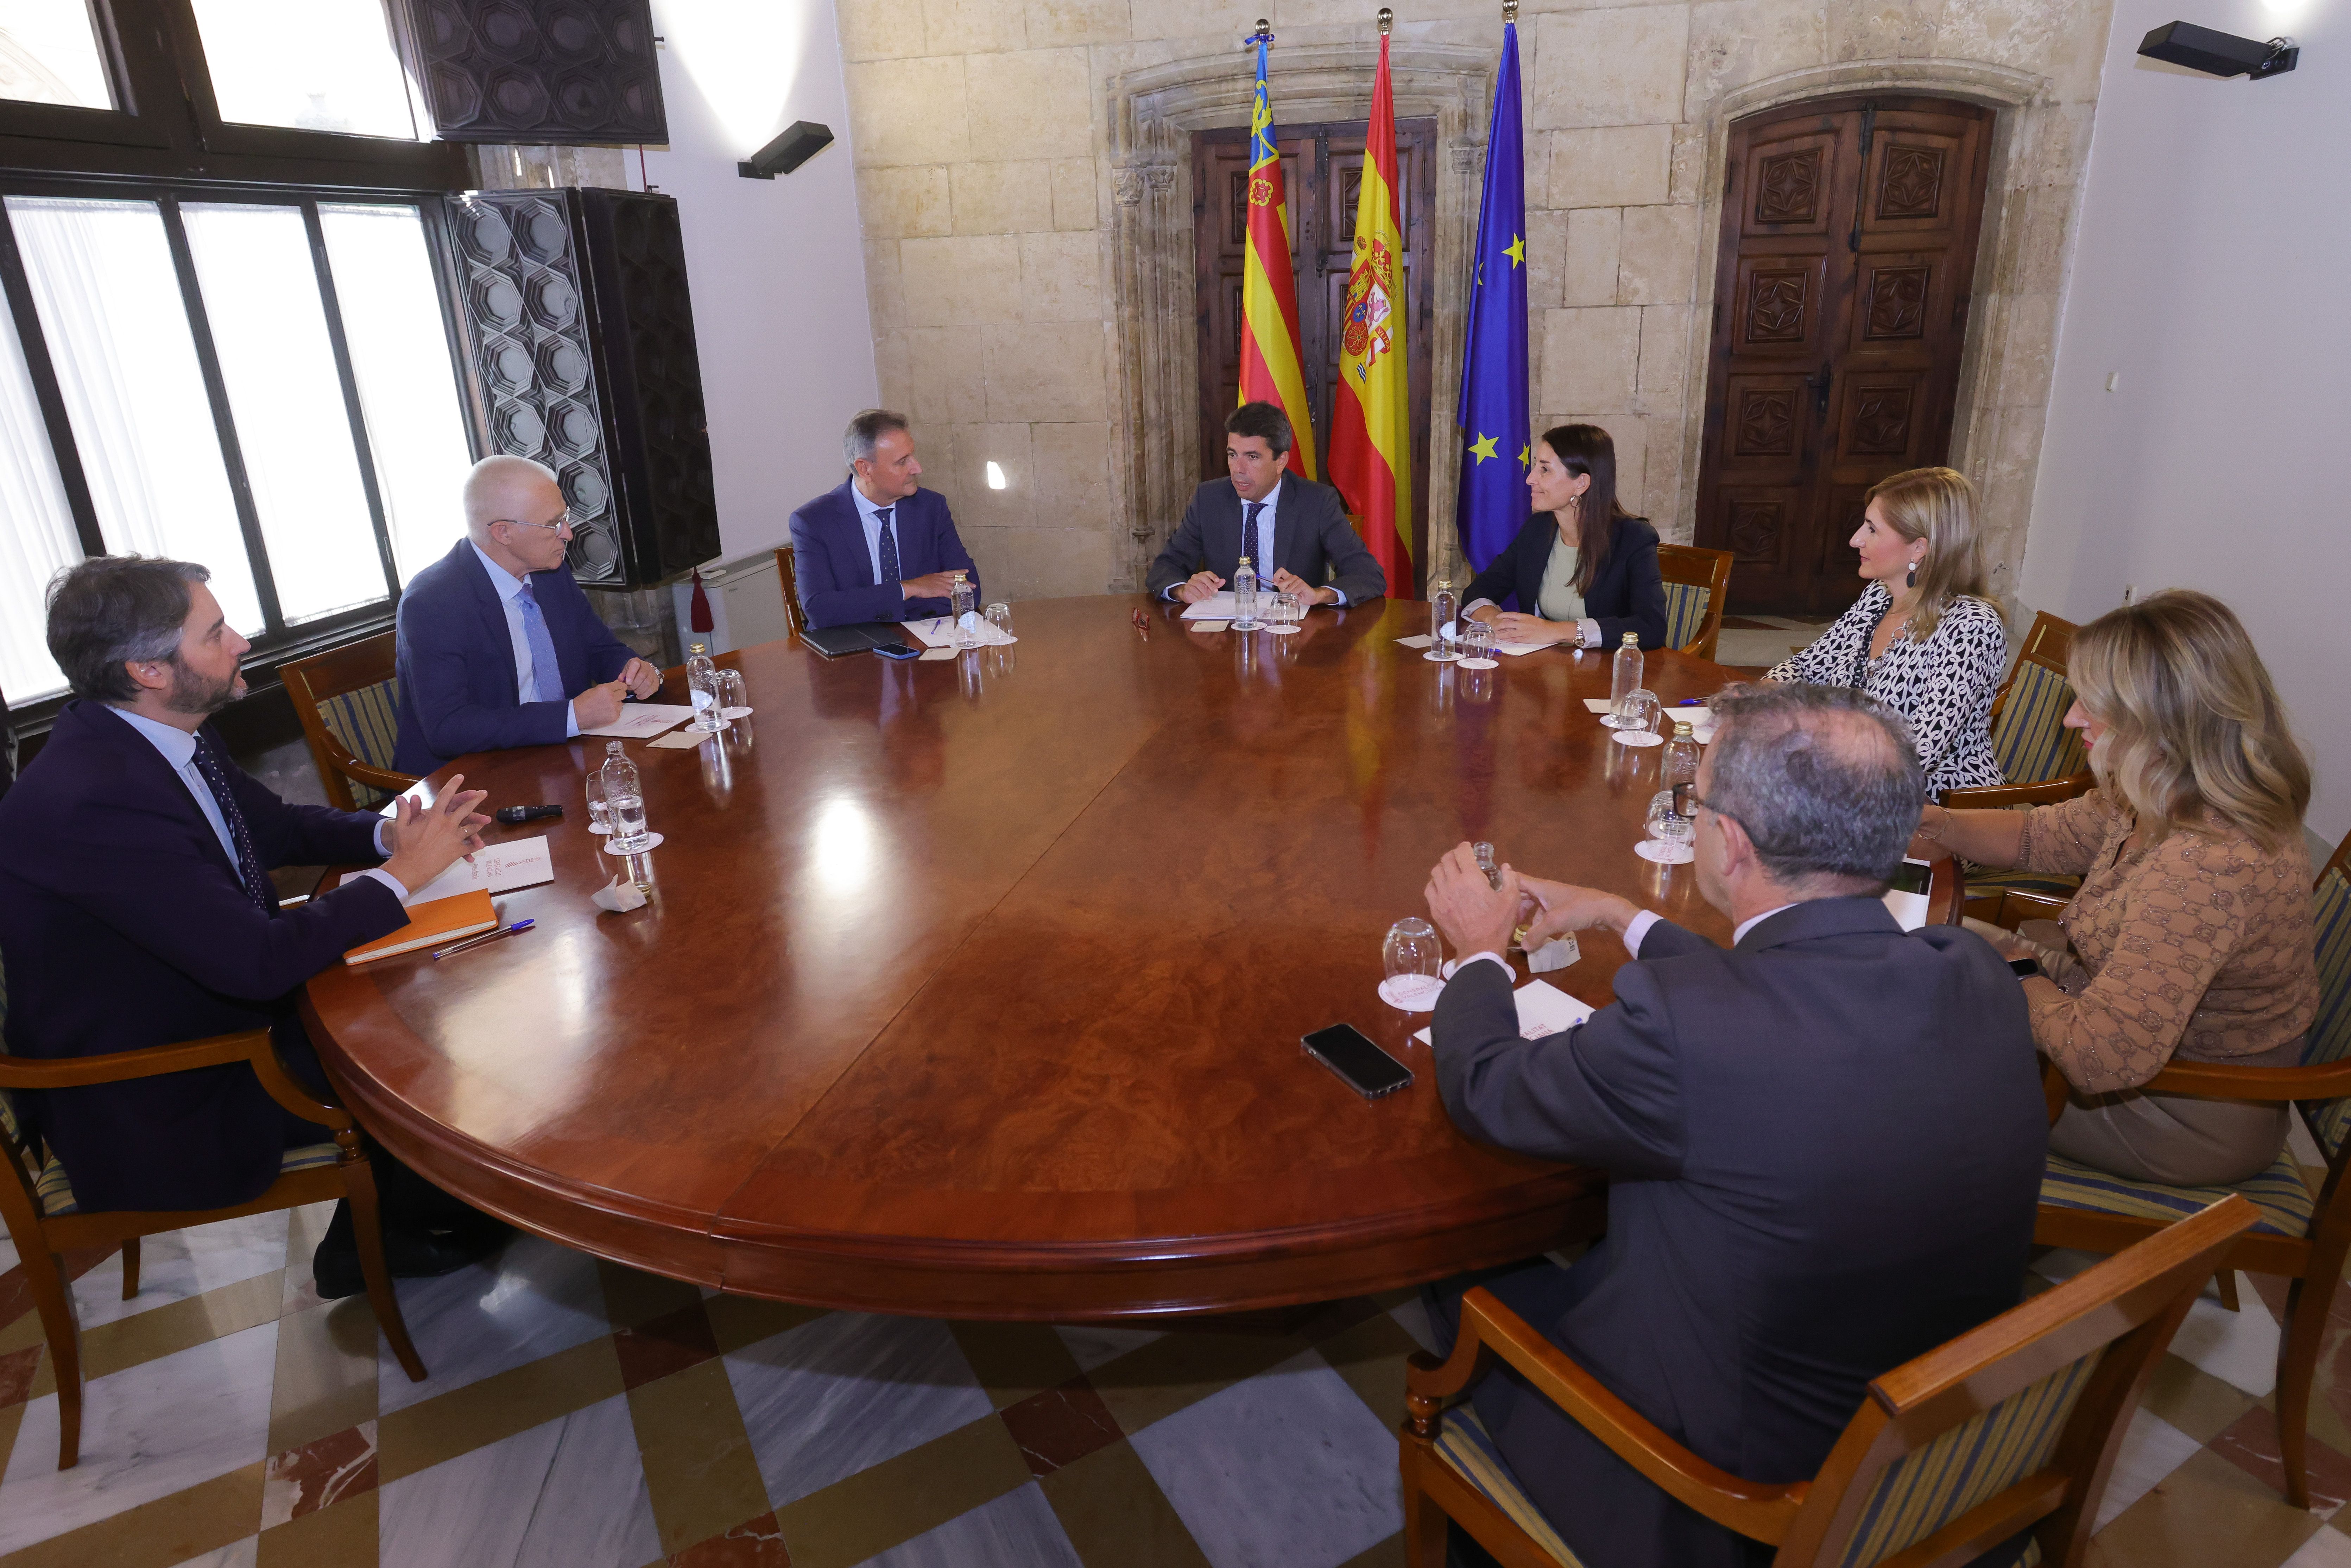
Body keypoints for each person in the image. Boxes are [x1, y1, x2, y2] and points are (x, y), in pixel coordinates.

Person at [1418, 682, 2044, 1568]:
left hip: (1730, 1499)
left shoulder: (1689, 1030)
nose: (1698, 817)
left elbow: (1485, 1087)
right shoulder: (1971, 970)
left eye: (1699, 802)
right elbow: (1794, 988)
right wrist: (1616, 913)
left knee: (1460, 1271)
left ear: (1733, 844)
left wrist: (1478, 952)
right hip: (1924, 1449)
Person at [0, 556, 506, 1297]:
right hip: (166, 1084)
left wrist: (388, 838)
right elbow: (258, 963)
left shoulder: (157, 730)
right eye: (214, 633)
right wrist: (404, 880)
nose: (241, 641)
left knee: (432, 994)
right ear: (149, 668)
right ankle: (382, 1239)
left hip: (203, 1007)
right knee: (415, 1054)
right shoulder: (92, 801)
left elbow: (274, 828)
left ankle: (406, 1214)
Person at [1918, 590, 2317, 1187]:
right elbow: (2037, 835)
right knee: (1912, 941)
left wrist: (2020, 970)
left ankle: (1932, 1239)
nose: (2071, 717)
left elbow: (2098, 1057)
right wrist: (1930, 824)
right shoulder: (2159, 786)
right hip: (2105, 1013)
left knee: (1903, 1055)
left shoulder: (2207, 864)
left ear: (2166, 721)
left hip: (2177, 1112)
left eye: (2095, 705)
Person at [393, 455, 662, 775]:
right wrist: (571, 716)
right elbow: (448, 729)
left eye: (565, 517)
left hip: (563, 755)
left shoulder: (550, 572)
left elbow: (600, 649)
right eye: (553, 524)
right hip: (471, 777)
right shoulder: (432, 603)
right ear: (503, 533)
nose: (568, 533)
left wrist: (633, 670)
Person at [1765, 466, 2008, 798]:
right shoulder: (1878, 596)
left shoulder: (1971, 627)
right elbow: (1807, 666)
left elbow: (1917, 754)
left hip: (1936, 808)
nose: (1855, 540)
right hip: (1845, 786)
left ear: (1919, 548)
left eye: (1872, 530)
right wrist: (1764, 694)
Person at [1146, 401, 1387, 608]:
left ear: (1280, 461)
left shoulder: (1316, 502)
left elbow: (1368, 574)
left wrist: (1320, 595)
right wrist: (1182, 589)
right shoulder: (1210, 498)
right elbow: (1166, 565)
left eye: (1252, 457)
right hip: (1225, 635)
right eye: (1232, 455)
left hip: (1294, 634)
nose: (1238, 469)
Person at [1462, 423, 1665, 651]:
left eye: (1545, 470)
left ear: (1581, 484)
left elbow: (1651, 627)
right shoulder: (1536, 530)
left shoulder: (1633, 539)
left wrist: (1555, 630)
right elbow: (1477, 591)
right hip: (1543, 665)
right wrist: (1494, 622)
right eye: (1535, 466)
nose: (1530, 479)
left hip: (1608, 671)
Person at [789, 409, 981, 630]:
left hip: (924, 642)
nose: (918, 468)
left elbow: (968, 592)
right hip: (851, 651)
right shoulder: (814, 521)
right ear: (865, 469)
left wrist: (867, 608)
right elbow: (821, 610)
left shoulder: (931, 507)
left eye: (913, 456)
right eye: (903, 461)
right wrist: (909, 589)